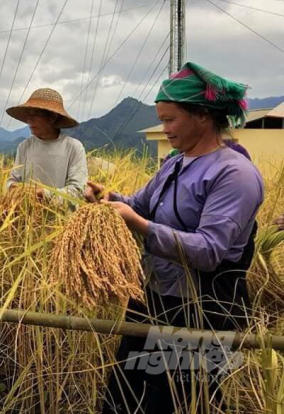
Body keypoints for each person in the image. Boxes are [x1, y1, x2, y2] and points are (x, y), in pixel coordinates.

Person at [86, 62, 264, 414]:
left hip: (203, 308)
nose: (164, 128)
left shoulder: (234, 174)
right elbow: (140, 204)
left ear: (202, 116)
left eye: (170, 120)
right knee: (127, 393)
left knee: (184, 397)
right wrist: (108, 198)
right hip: (153, 295)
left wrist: (138, 224)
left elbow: (209, 250)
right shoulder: (175, 163)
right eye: (162, 119)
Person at [5, 88, 87, 202]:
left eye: (35, 114)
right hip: (28, 217)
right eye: (28, 114)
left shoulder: (73, 147)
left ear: (52, 117)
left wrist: (42, 193)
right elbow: (12, 181)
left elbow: (77, 190)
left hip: (62, 218)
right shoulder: (24, 147)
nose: (29, 119)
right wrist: (14, 187)